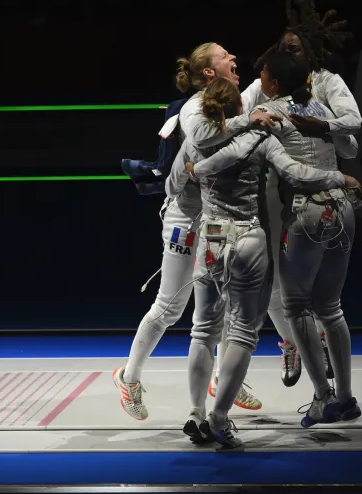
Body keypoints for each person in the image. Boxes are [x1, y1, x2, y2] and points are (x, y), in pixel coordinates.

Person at [169, 77, 361, 447]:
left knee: (202, 328)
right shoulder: (260, 139)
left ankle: (195, 411)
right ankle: (219, 418)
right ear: (240, 109)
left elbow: (173, 186)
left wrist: (197, 174)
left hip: (210, 237)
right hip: (247, 238)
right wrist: (338, 176)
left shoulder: (195, 143)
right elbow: (297, 173)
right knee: (242, 331)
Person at [112, 42, 278, 421]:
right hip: (186, 219)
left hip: (218, 219)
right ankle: (128, 377)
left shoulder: (236, 96)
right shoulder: (194, 108)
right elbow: (203, 138)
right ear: (208, 72)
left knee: (220, 304)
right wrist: (247, 123)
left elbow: (265, 84)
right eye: (225, 57)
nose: (234, 59)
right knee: (170, 305)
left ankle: (220, 378)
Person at [253, 0, 362, 387]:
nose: (288, 53)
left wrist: (324, 127)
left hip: (311, 197)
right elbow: (239, 113)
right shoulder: (266, 87)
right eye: (283, 49)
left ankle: (322, 377)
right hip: (277, 194)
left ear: (311, 52)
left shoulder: (328, 85)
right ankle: (293, 344)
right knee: (272, 286)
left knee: (311, 296)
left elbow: (351, 130)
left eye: (295, 48)